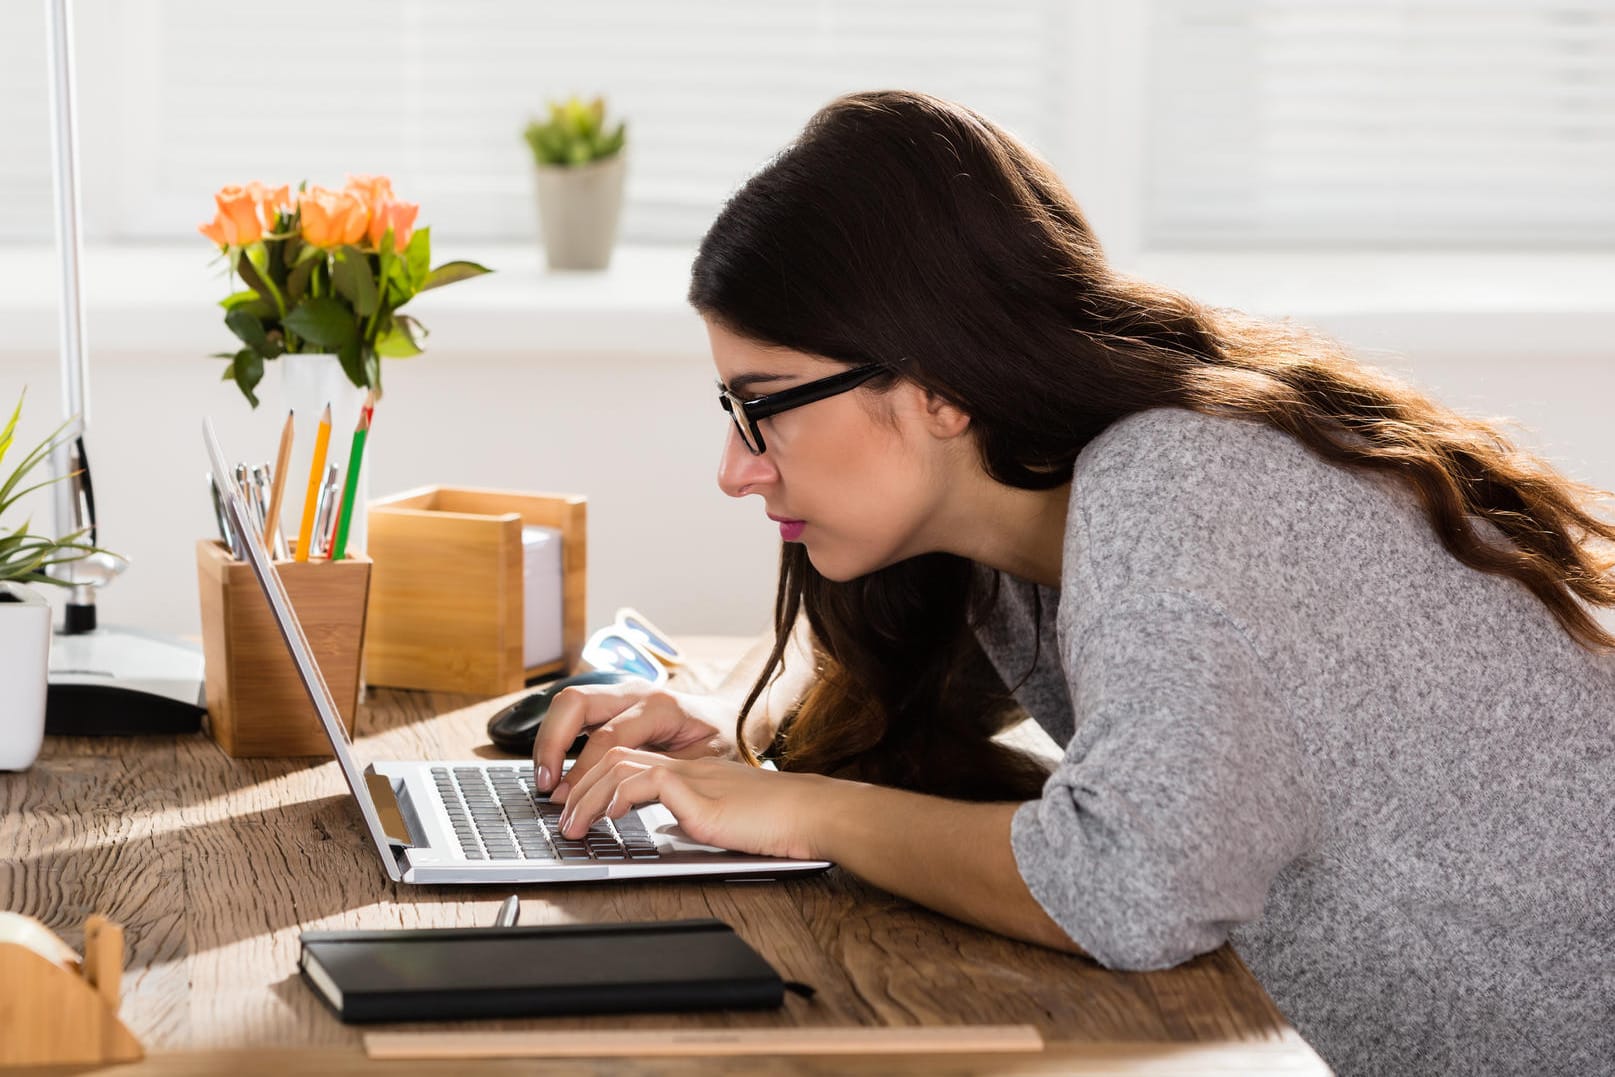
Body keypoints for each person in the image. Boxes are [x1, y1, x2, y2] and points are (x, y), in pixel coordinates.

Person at [531, 90, 1615, 1075]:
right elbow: (1085, 769)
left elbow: (1129, 885)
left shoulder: (1175, 484)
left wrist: (803, 808)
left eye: (763, 404)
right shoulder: (1022, 542)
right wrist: (735, 748)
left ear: (938, 387)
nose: (736, 466)